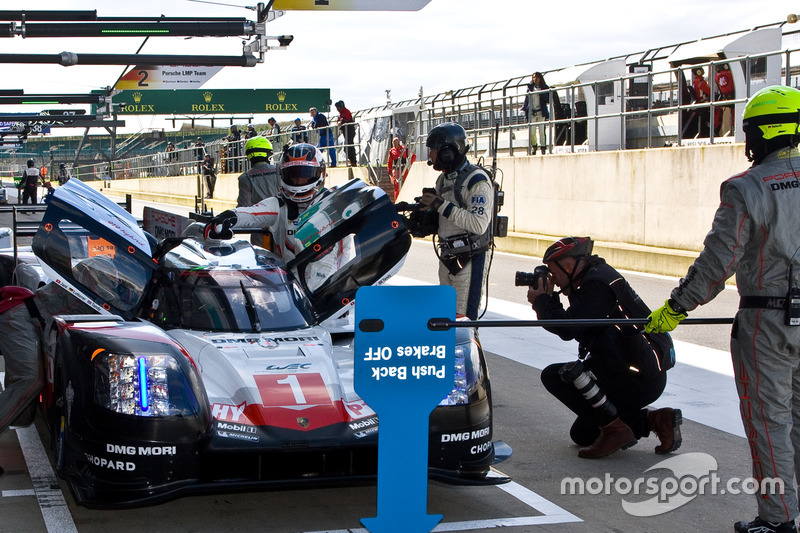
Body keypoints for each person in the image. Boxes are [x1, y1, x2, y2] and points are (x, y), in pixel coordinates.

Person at [645, 85, 800, 533]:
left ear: (761, 134)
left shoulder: (746, 188)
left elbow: (718, 263)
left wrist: (676, 309)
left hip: (767, 325)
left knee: (770, 422)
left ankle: (778, 521)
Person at [527, 237, 679, 459]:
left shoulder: (596, 285)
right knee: (583, 433)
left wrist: (542, 301)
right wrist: (549, 301)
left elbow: (568, 328)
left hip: (638, 378)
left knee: (554, 375)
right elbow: (576, 325)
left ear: (568, 266)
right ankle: (655, 420)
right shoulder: (597, 275)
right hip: (632, 368)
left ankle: (616, 429)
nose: (553, 280)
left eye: (553, 272)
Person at [204, 143, 343, 285]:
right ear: (282, 175)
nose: (299, 181)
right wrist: (226, 218)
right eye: (293, 175)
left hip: (335, 286)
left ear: (320, 173)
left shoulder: (338, 202)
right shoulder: (279, 204)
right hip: (293, 288)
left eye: (305, 175)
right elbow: (251, 213)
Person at [0, 282, 92, 476]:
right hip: (20, 318)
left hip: (23, 317)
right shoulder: (97, 281)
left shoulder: (93, 275)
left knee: (26, 389)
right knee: (29, 380)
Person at [418, 122, 493, 320]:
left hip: (471, 258)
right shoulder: (443, 180)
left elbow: (478, 224)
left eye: (432, 150)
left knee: (463, 321)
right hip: (447, 256)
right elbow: (445, 215)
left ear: (448, 152)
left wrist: (440, 205)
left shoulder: (477, 181)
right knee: (445, 319)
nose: (430, 156)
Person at [236, 136, 280, 208]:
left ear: (248, 156)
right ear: (269, 154)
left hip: (259, 218)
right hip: (283, 217)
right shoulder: (280, 171)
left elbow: (244, 206)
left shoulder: (245, 178)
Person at [520, 72, 550, 155]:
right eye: (533, 77)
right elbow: (527, 99)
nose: (535, 79)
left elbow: (548, 99)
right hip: (532, 112)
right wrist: (524, 108)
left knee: (541, 131)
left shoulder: (544, 87)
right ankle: (534, 146)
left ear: (540, 78)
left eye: (536, 77)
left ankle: (543, 148)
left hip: (541, 111)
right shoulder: (530, 88)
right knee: (532, 132)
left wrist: (541, 93)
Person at [335, 100, 357, 167]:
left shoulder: (346, 111)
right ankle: (352, 161)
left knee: (349, 146)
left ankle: (353, 162)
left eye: (338, 107)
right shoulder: (341, 113)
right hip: (345, 131)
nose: (338, 109)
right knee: (347, 147)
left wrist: (340, 122)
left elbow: (345, 120)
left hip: (349, 130)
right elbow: (339, 120)